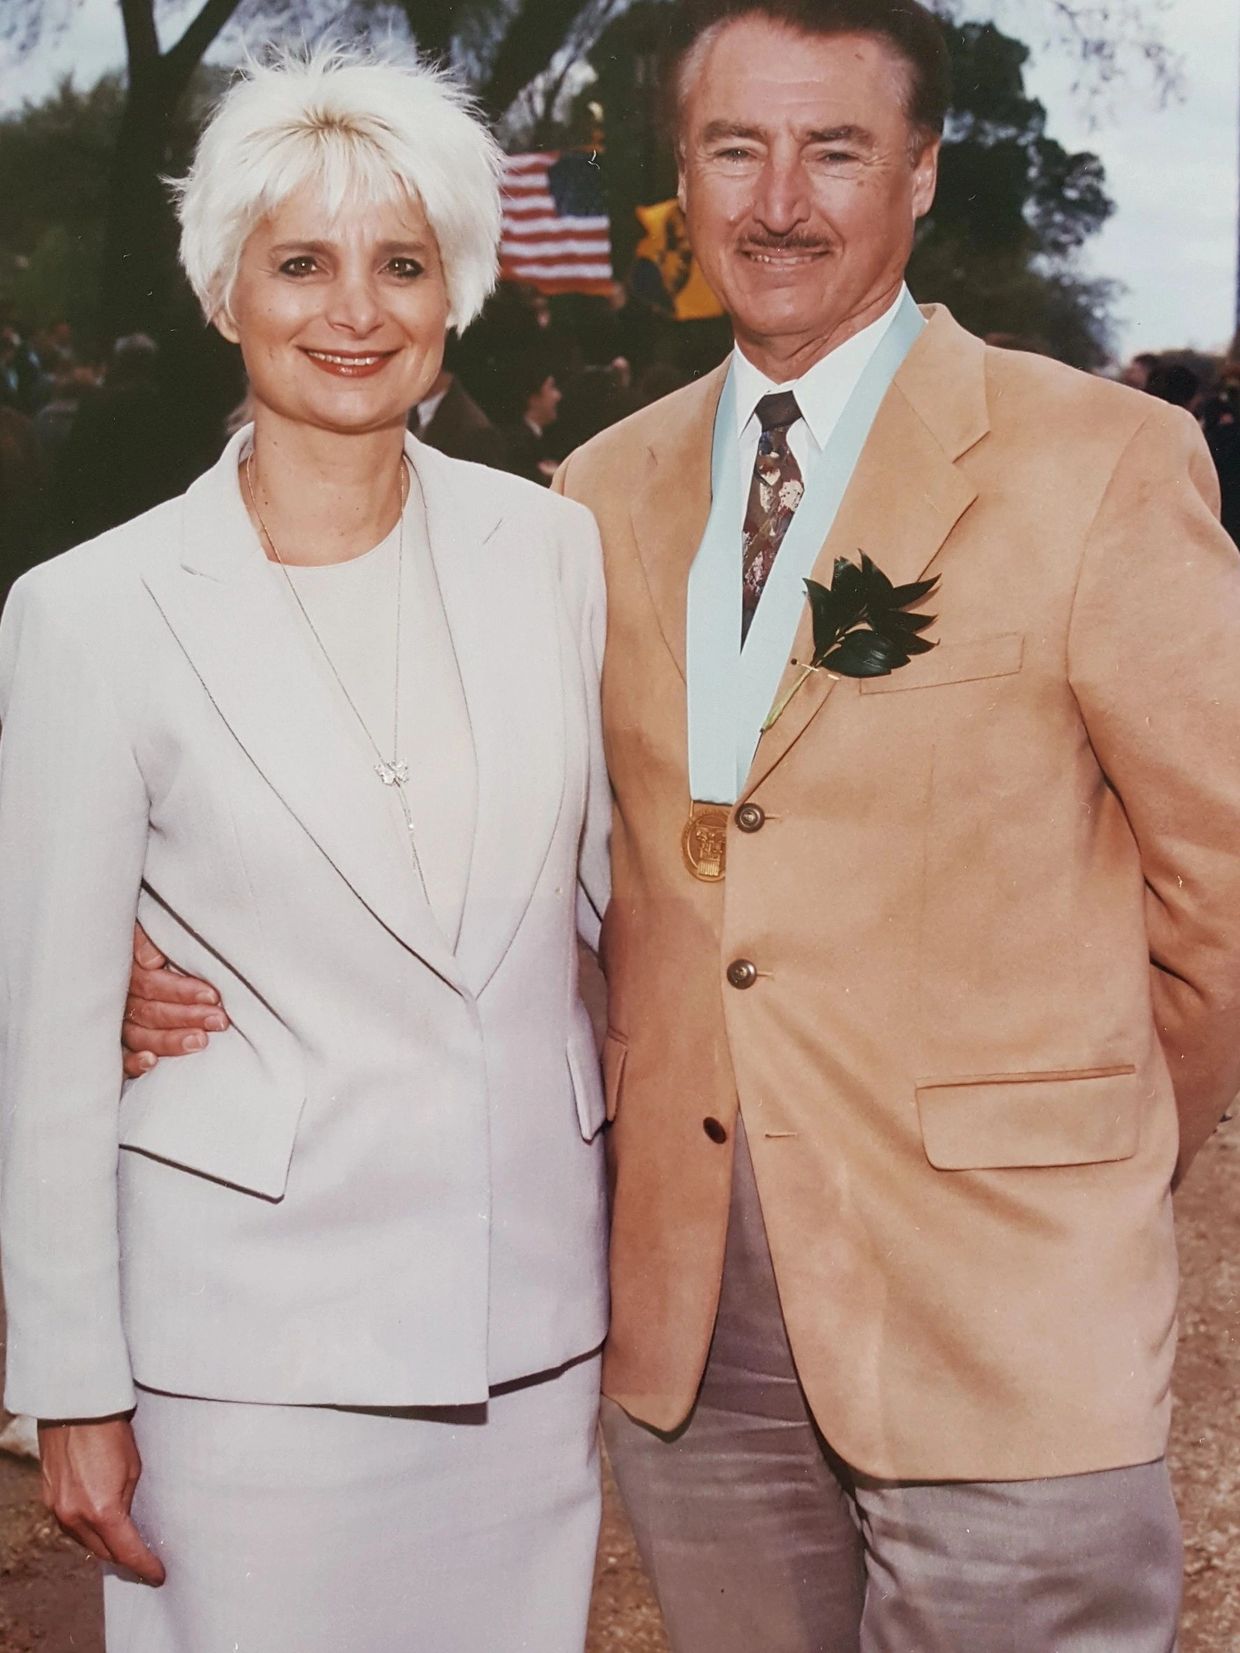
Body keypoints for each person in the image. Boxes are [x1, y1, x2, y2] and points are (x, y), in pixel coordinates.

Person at [124, 3, 1240, 1649]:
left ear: (922, 173)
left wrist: (1077, 1157)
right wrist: (171, 948)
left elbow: (1218, 890)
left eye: (836, 148)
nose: (778, 199)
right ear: (684, 179)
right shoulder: (593, 497)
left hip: (1002, 1305)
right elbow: (487, 845)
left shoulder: (1101, 462)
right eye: (736, 147)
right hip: (691, 1331)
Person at [0, 42, 610, 1653]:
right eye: (302, 262)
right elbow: (51, 1036)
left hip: (529, 1338)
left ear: (455, 290)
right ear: (225, 292)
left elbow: (626, 897)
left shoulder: (553, 552)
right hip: (243, 1358)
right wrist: (70, 1385)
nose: (355, 308)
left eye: (401, 262)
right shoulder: (88, 613)